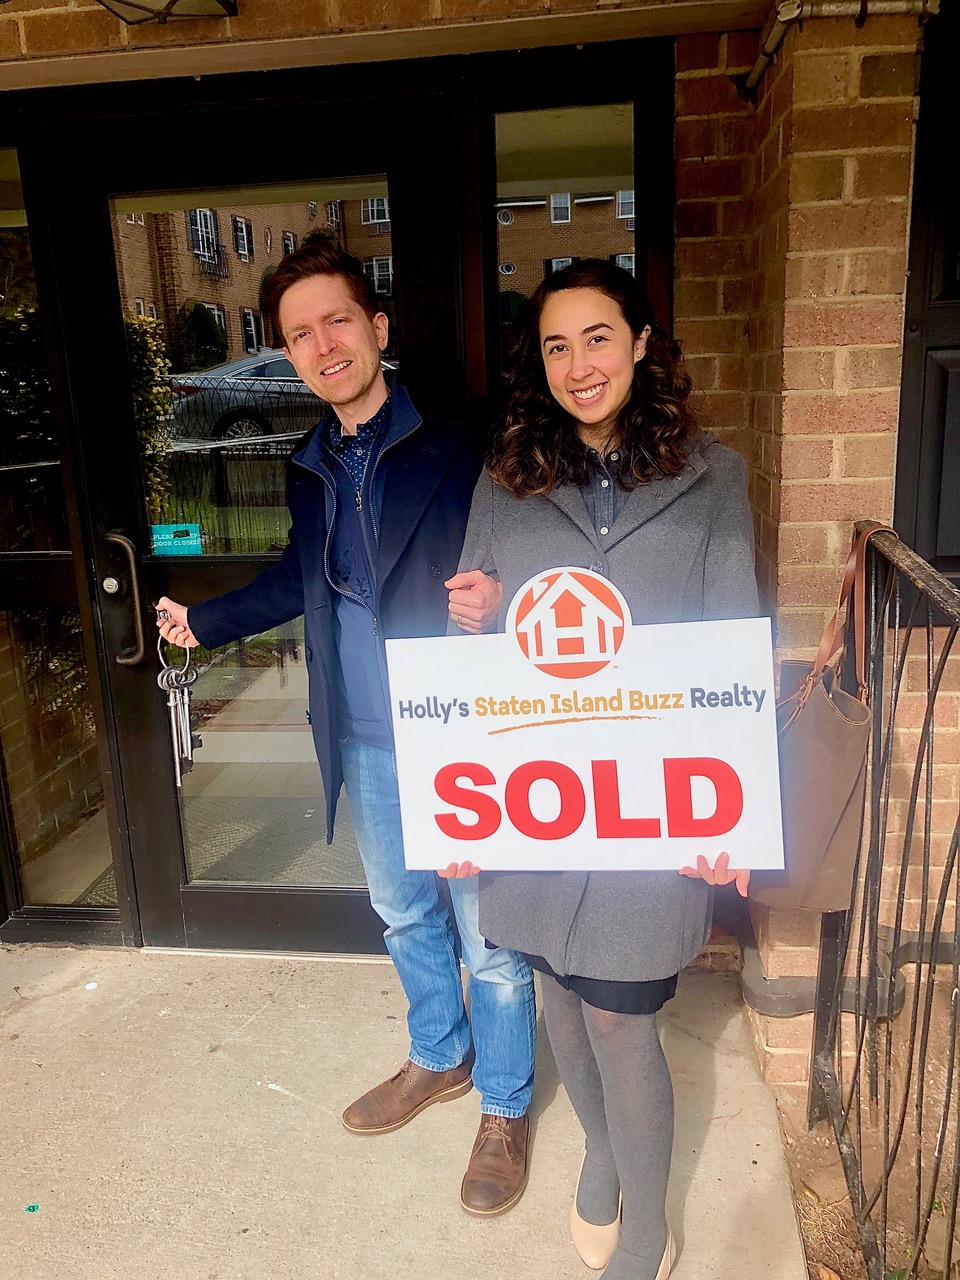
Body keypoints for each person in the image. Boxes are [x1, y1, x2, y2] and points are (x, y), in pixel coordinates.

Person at [156, 235, 536, 1217]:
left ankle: (504, 1103)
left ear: (375, 328)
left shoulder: (461, 443)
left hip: (458, 729)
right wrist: (205, 620)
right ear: (288, 355)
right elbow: (296, 576)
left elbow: (526, 554)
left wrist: (499, 592)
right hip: (365, 735)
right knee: (404, 909)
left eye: (335, 320)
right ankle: (438, 1054)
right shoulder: (307, 462)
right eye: (297, 333)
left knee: (489, 935)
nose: (321, 344)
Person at [441, 259, 757, 1278]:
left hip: (647, 797)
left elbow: (729, 644)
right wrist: (474, 619)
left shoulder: (714, 475)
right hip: (541, 797)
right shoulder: (507, 475)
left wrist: (734, 809)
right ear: (540, 364)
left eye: (599, 337)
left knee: (622, 1013)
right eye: (556, 345)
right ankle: (602, 1151)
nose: (580, 364)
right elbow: (480, 654)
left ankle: (645, 1216)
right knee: (561, 1004)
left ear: (642, 341)